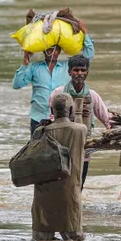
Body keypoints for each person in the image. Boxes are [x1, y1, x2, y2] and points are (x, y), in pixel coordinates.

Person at [12, 20, 95, 135]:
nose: (52, 52)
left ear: (59, 51)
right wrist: (25, 63)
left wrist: (85, 34)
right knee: (37, 149)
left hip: (63, 118)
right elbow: (16, 84)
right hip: (38, 118)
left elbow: (88, 57)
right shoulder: (34, 68)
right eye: (49, 49)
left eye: (55, 49)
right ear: (44, 50)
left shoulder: (67, 66)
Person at [31, 93, 88, 241]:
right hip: (69, 191)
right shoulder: (80, 130)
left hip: (44, 192)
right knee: (75, 239)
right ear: (70, 111)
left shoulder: (40, 131)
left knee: (42, 240)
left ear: (51, 111)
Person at [49, 55, 111, 189]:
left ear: (87, 72)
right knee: (61, 183)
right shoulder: (58, 93)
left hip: (84, 144)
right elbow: (52, 119)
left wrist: (112, 131)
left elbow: (106, 118)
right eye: (76, 70)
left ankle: (75, 207)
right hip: (62, 144)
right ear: (69, 72)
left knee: (79, 184)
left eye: (83, 70)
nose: (79, 73)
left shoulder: (92, 96)